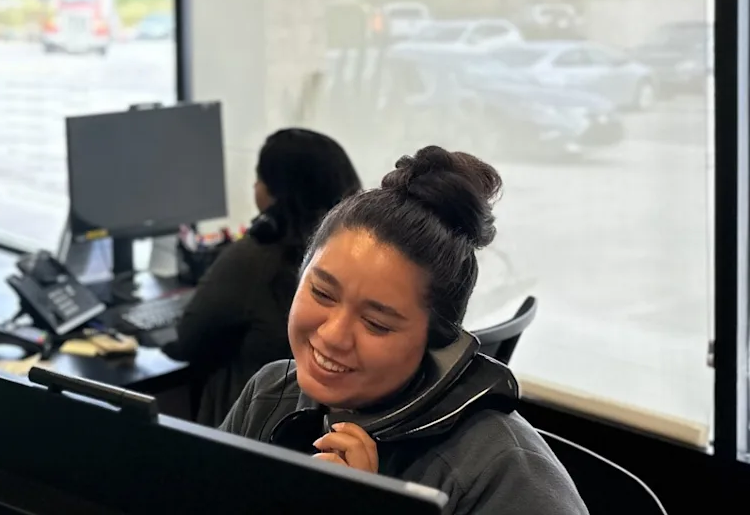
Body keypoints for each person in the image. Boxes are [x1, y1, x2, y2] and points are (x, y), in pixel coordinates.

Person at [221, 146, 588, 515]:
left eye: (376, 323)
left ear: (436, 339)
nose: (333, 335)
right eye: (322, 292)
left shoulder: (506, 476)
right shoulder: (269, 397)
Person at [164, 128, 361, 425]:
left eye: (260, 178)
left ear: (277, 193)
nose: (255, 185)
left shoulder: (255, 259)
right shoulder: (355, 257)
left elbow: (189, 339)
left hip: (248, 427)